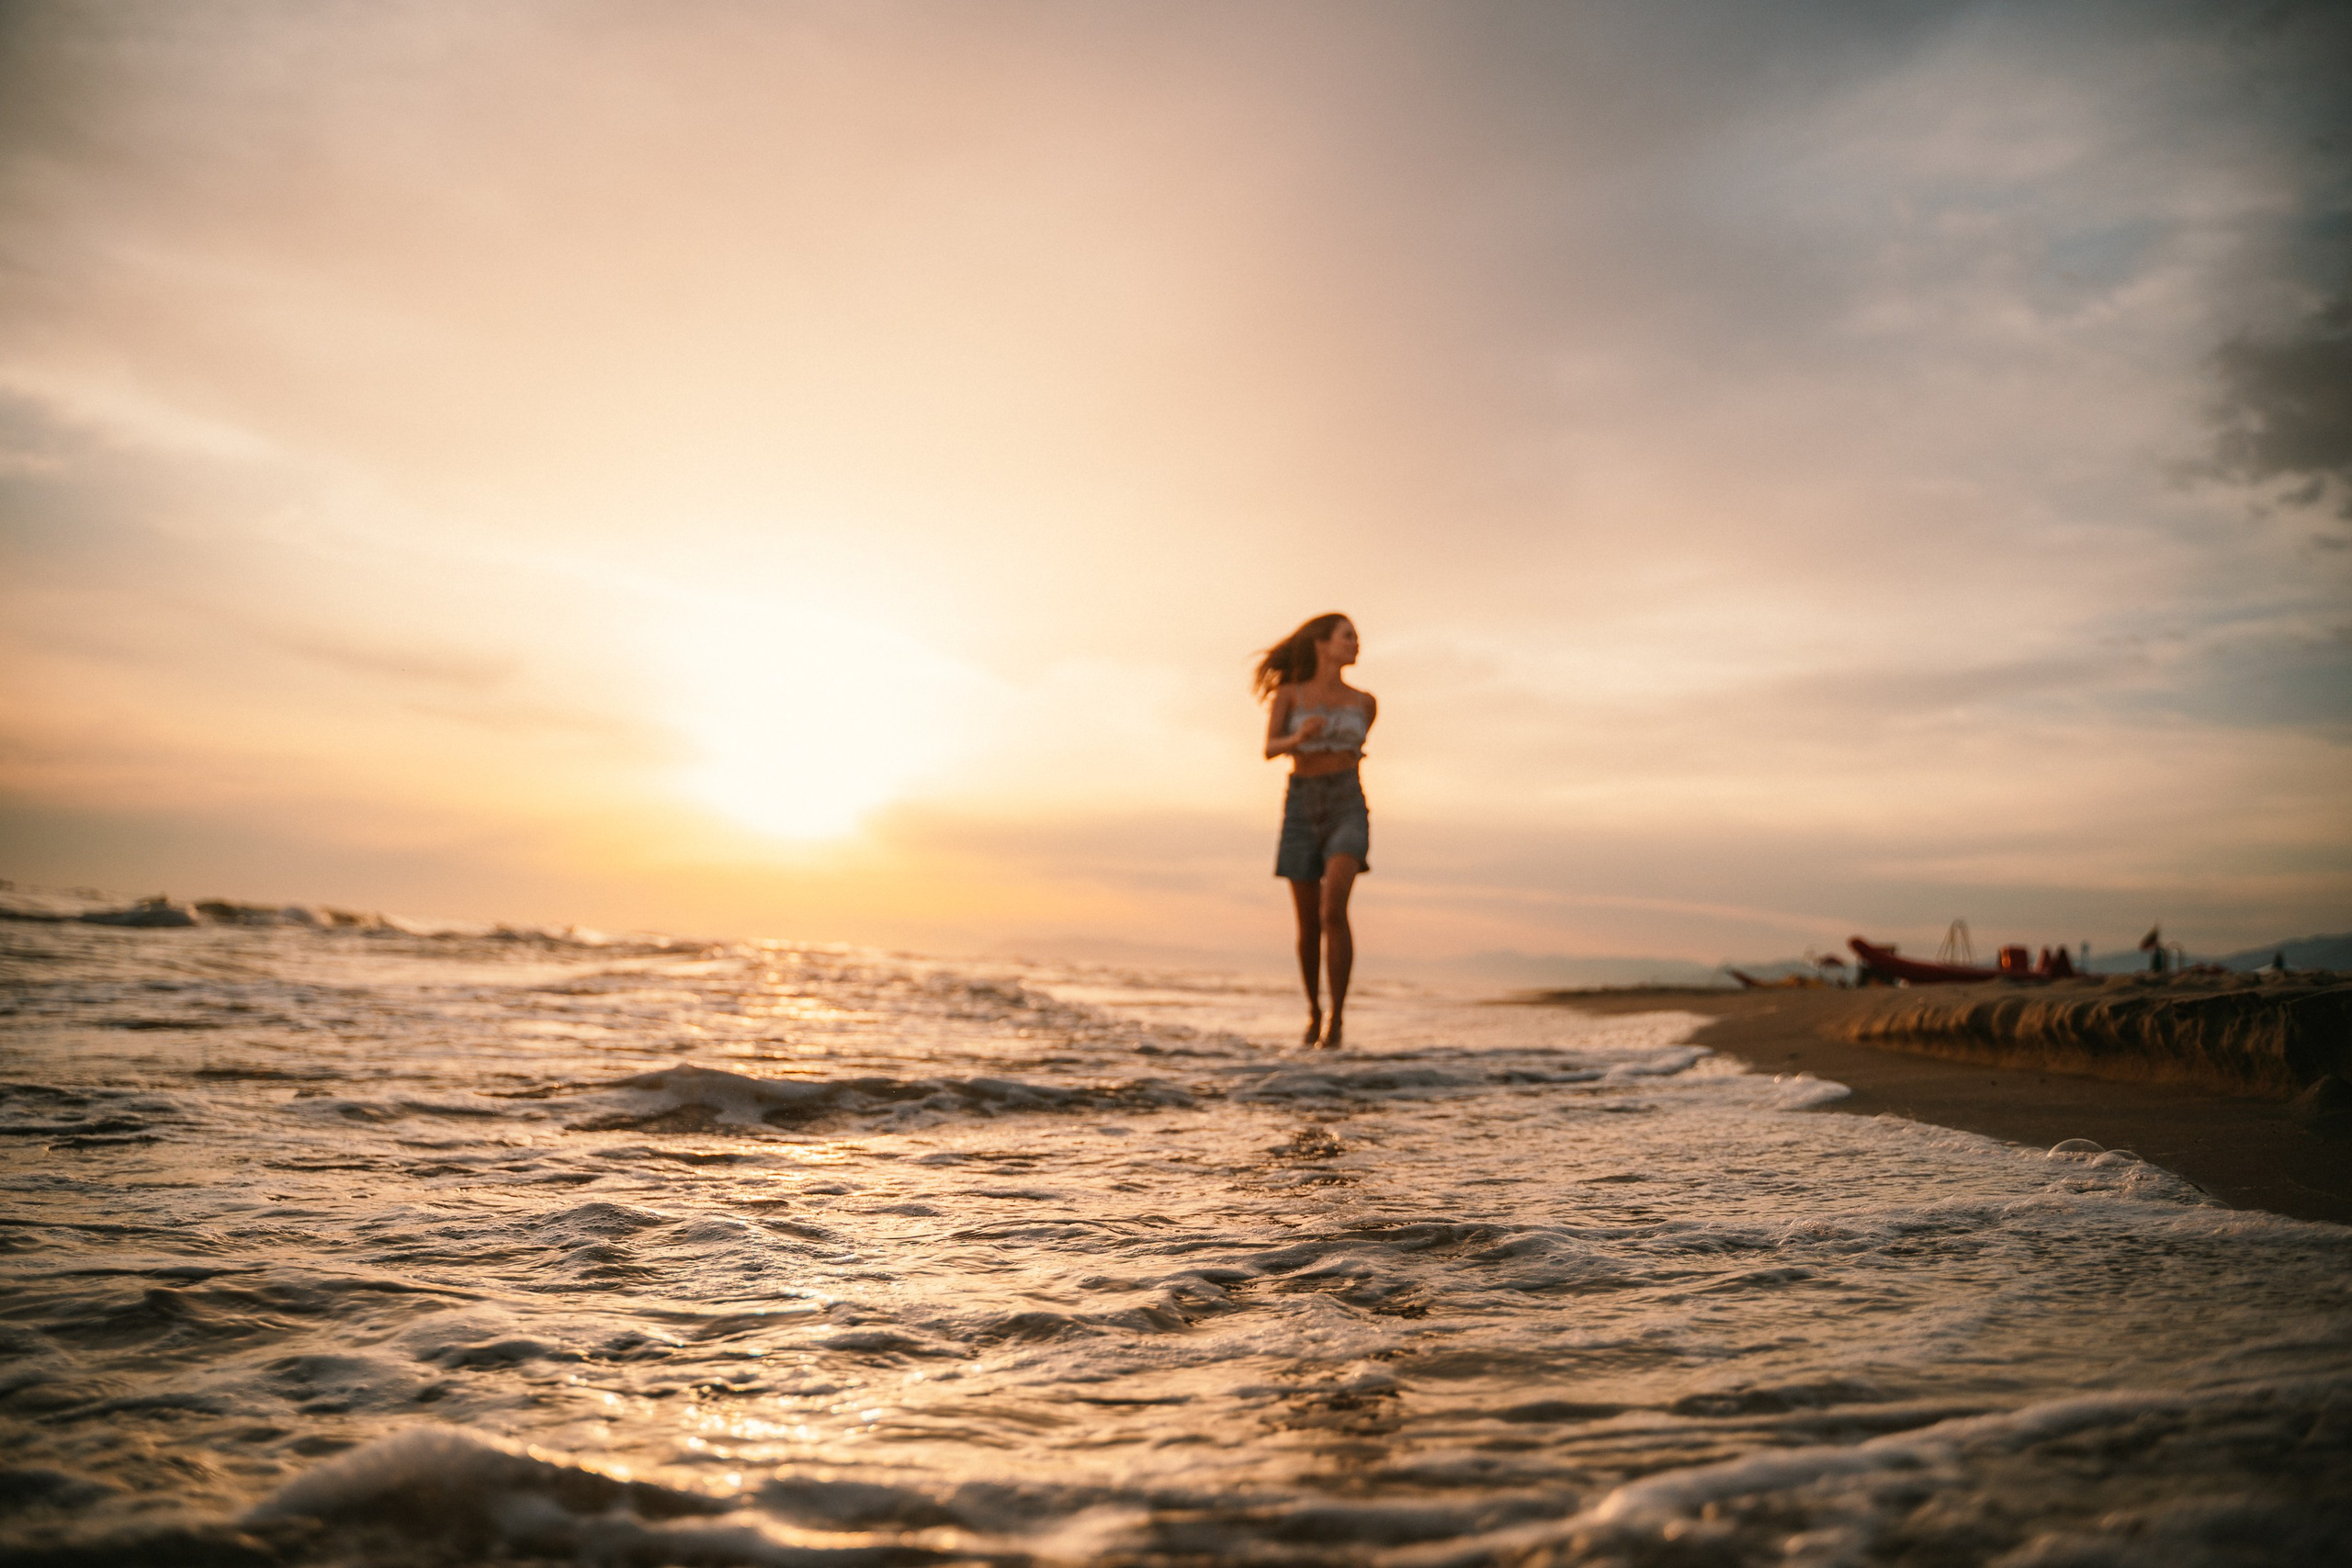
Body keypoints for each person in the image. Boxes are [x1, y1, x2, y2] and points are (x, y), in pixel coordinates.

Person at [1255, 613, 1376, 1049]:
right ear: (1322, 644)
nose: (1357, 644)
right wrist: (1298, 736)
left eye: (1357, 638)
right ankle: (1314, 1012)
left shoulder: (1365, 701)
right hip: (1302, 804)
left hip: (1347, 802)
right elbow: (1269, 748)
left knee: (1332, 911)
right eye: (1349, 637)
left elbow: (1358, 749)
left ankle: (1337, 1022)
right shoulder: (1289, 694)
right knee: (1308, 924)